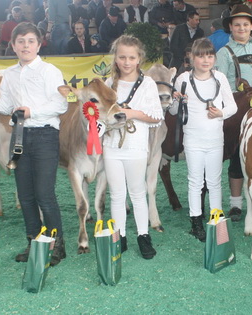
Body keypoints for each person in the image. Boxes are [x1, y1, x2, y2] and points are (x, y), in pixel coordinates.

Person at [0, 22, 68, 266]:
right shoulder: (9, 74)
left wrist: (32, 111)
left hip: (44, 135)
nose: (26, 45)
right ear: (12, 45)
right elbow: (5, 106)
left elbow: (61, 105)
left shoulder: (49, 71)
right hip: (19, 137)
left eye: (30, 41)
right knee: (25, 194)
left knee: (44, 194)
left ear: (39, 44)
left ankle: (57, 245)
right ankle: (33, 241)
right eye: (20, 41)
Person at [169, 38, 237, 242]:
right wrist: (177, 100)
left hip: (216, 138)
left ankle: (216, 219)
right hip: (193, 140)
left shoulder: (220, 78)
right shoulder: (183, 78)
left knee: (215, 181)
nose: (205, 60)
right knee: (195, 181)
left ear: (214, 58)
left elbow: (232, 106)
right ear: (192, 57)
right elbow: (172, 111)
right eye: (200, 55)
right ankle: (196, 222)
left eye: (209, 55)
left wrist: (220, 113)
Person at [105, 35, 163, 259]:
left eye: (131, 57)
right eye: (122, 57)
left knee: (138, 193)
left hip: (136, 146)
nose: (126, 62)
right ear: (116, 58)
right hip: (112, 146)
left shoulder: (147, 83)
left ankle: (143, 235)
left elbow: (156, 116)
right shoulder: (109, 83)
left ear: (139, 59)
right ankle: (119, 236)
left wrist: (131, 113)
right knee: (117, 195)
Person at [214, 4, 252, 221]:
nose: (242, 28)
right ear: (230, 27)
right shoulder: (223, 52)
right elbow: (219, 82)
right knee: (237, 156)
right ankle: (236, 204)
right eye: (237, 24)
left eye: (246, 24)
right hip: (236, 109)